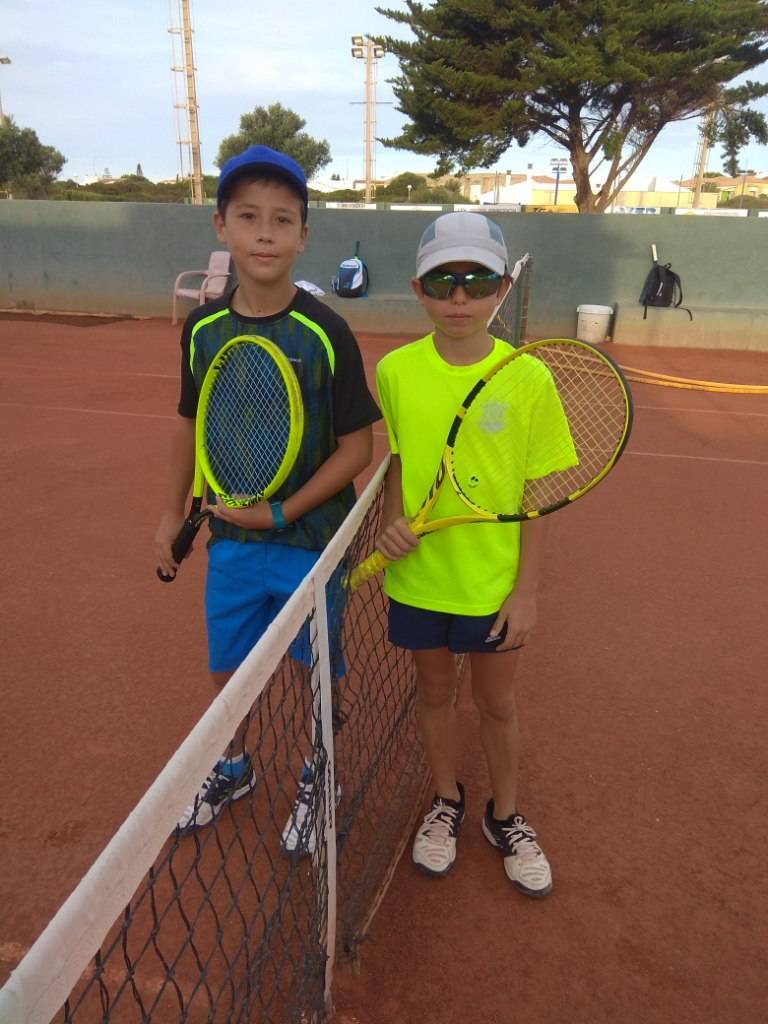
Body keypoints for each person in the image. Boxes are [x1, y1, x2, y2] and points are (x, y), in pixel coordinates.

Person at [155, 145, 380, 835]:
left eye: (282, 220)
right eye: (248, 217)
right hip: (231, 542)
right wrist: (170, 513)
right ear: (221, 225)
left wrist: (279, 512)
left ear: (303, 236)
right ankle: (233, 766)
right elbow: (190, 423)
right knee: (227, 669)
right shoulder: (201, 330)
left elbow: (358, 448)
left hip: (310, 546)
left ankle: (320, 771)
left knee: (318, 674)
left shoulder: (327, 332)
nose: (264, 233)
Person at [374, 211, 559, 897]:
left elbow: (537, 492)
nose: (459, 298)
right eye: (442, 282)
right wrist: (390, 524)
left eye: (477, 281)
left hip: (492, 584)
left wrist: (526, 590)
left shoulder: (529, 377)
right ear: (417, 290)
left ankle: (505, 815)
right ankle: (446, 800)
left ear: (502, 288)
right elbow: (398, 464)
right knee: (432, 693)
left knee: (496, 703)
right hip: (419, 578)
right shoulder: (395, 372)